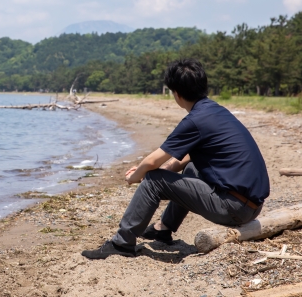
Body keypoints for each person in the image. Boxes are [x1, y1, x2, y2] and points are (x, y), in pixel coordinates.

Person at [82, 58, 270, 260]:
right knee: (190, 170)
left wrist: (136, 176)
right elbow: (185, 158)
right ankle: (163, 229)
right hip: (252, 206)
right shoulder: (215, 110)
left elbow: (153, 162)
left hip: (234, 208)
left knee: (153, 181)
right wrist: (159, 172)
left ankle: (122, 243)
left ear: (177, 95)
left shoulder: (195, 120)